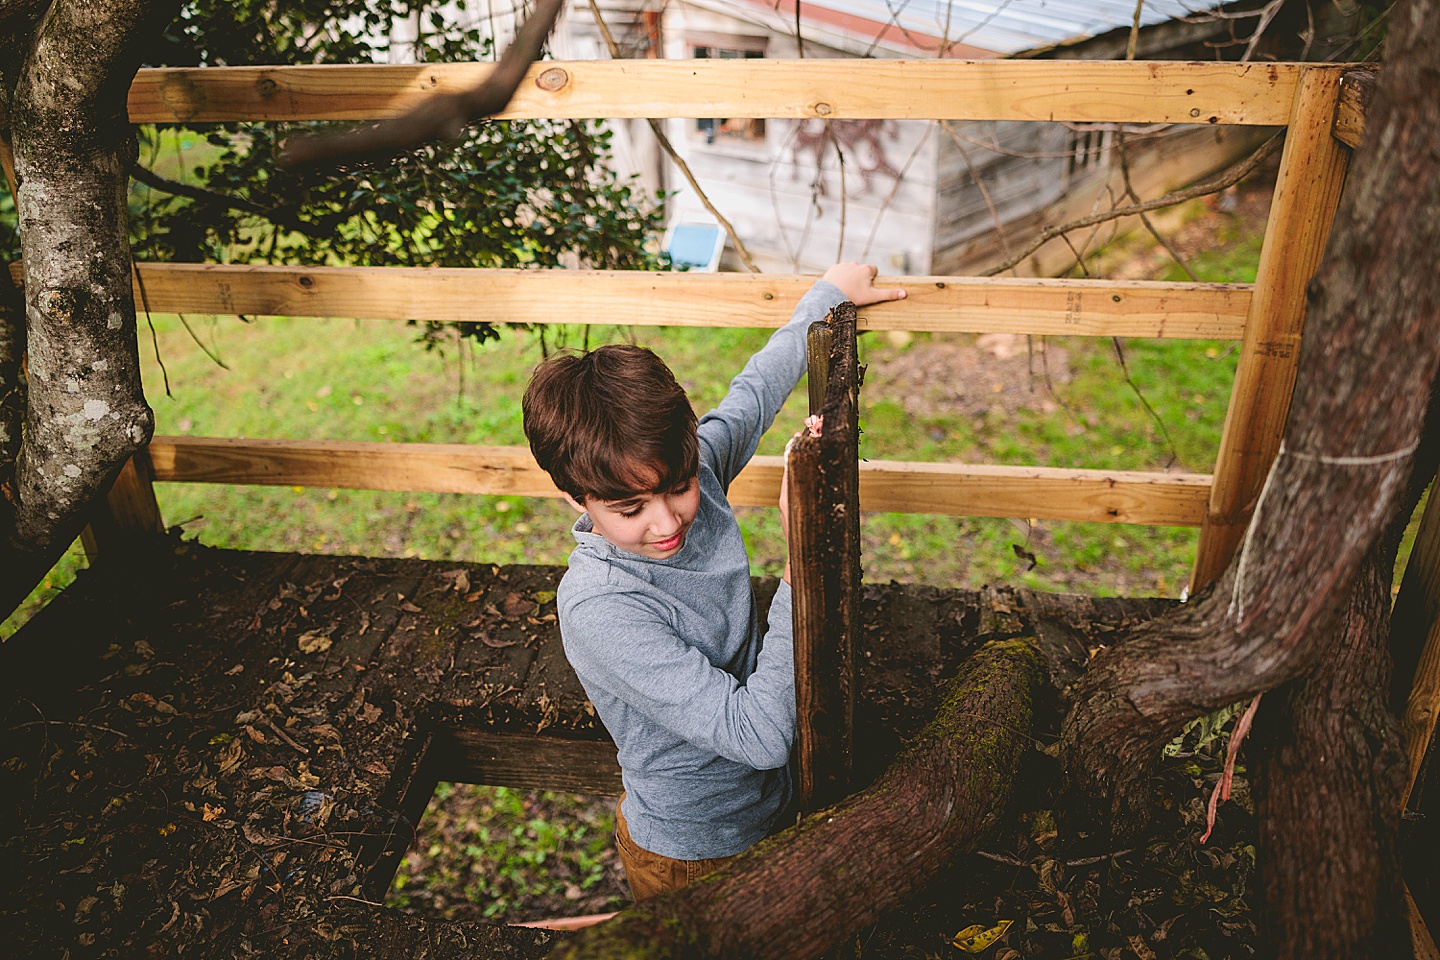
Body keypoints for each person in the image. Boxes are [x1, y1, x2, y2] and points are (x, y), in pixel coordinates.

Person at [521, 263, 906, 901]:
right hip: (696, 853)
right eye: (628, 510)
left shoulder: (695, 467)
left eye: (679, 488)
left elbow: (754, 392)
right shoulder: (602, 607)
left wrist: (829, 294)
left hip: (776, 809)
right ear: (574, 498)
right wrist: (802, 550)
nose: (666, 520)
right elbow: (758, 735)